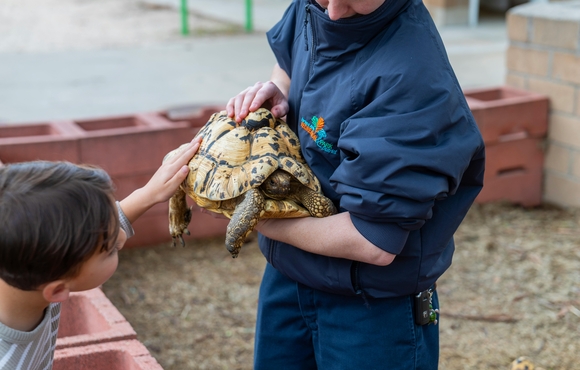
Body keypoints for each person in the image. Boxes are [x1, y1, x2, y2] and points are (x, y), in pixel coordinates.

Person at [226, 0, 485, 368]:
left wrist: (257, 217)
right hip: (287, 276)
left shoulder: (413, 79)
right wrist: (277, 90)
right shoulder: (314, 6)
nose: (331, 11)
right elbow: (289, 59)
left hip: (370, 306)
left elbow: (372, 241)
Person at [0, 137, 200, 370]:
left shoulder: (30, 269)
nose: (122, 237)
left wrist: (150, 194)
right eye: (110, 249)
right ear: (57, 290)